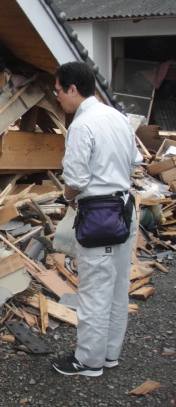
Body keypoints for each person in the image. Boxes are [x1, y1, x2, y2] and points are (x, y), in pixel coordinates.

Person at [51, 61, 142, 377]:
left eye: (59, 91)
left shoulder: (82, 125)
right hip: (125, 210)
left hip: (98, 216)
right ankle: (109, 355)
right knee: (118, 288)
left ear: (73, 89)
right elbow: (135, 161)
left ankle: (88, 362)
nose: (58, 97)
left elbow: (74, 178)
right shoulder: (117, 117)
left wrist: (68, 198)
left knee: (93, 292)